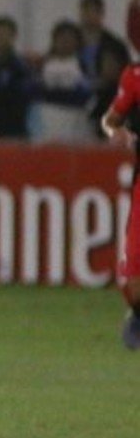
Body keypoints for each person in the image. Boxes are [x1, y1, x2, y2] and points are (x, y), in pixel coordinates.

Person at [100, 58, 140, 348]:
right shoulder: (135, 75)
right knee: (131, 284)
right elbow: (109, 121)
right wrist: (119, 133)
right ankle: (137, 315)